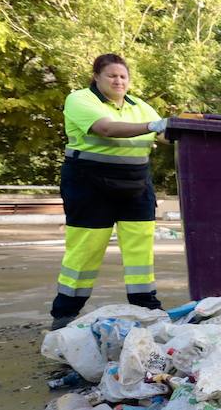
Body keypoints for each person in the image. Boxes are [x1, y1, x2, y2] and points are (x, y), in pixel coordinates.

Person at [51, 54, 167, 329]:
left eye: (123, 76)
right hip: (89, 184)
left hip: (136, 185)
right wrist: (153, 126)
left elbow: (166, 135)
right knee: (85, 250)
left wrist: (190, 129)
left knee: (140, 248)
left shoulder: (139, 106)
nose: (118, 80)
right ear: (96, 77)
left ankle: (146, 307)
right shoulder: (80, 100)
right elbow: (105, 128)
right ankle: (65, 313)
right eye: (111, 75)